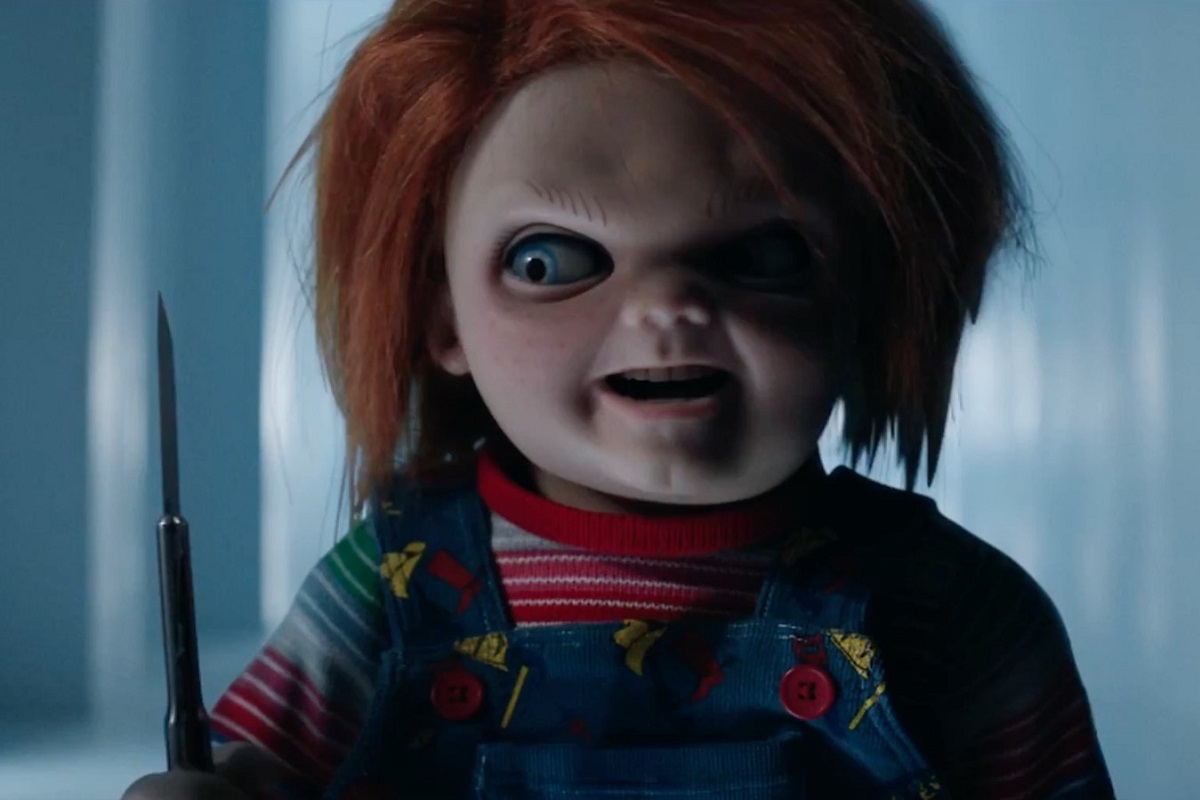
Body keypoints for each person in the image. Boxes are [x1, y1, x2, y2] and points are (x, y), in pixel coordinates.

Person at [123, 0, 1117, 797]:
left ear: (874, 294)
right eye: (549, 260)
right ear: (442, 317)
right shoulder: (387, 587)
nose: (666, 308)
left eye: (763, 255)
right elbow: (252, 770)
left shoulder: (957, 611)